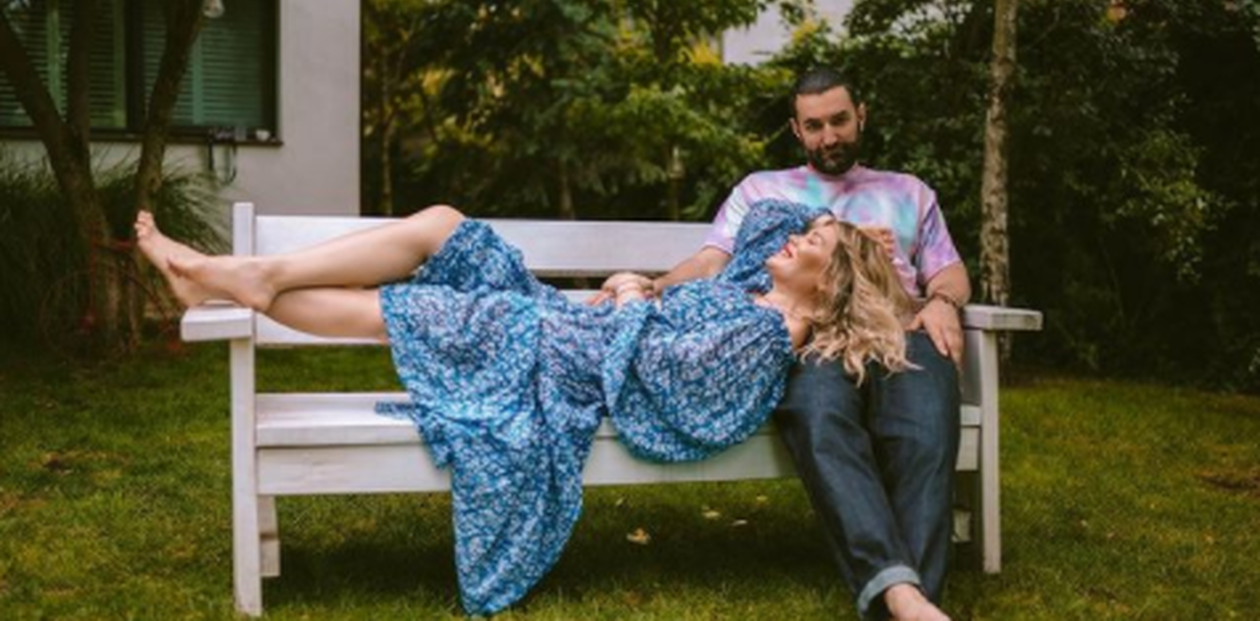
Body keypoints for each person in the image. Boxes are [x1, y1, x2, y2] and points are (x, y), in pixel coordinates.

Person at [135, 197, 914, 616]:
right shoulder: (754, 282)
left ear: (830, 283)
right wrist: (838, 223)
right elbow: (770, 215)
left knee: (420, 311)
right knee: (446, 228)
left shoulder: (767, 334)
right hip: (569, 330)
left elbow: (669, 382)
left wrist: (633, 294)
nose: (793, 241)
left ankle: (239, 281)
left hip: (569, 356)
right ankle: (257, 275)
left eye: (813, 245)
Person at [602, 68, 970, 621]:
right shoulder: (761, 190)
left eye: (840, 121)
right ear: (797, 130)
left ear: (861, 115)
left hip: (900, 328)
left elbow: (950, 272)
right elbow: (712, 261)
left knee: (922, 432)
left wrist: (942, 301)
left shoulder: (908, 193)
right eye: (814, 126)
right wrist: (656, 286)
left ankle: (905, 600)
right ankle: (904, 597)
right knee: (821, 418)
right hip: (811, 338)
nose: (829, 137)